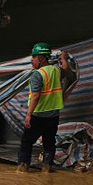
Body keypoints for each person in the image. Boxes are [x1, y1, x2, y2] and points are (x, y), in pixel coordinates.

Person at [17, 43, 74, 174]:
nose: (31, 60)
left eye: (34, 57)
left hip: (38, 115)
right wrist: (64, 59)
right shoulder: (56, 70)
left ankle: (22, 168)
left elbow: (35, 96)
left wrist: (28, 115)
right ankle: (47, 167)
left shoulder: (38, 74)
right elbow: (66, 69)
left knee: (26, 141)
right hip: (53, 115)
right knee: (49, 142)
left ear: (42, 59)